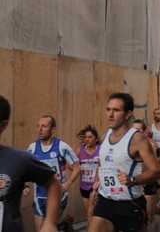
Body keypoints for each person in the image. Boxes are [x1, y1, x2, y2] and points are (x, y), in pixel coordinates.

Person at [88, 93, 160, 232]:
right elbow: (102, 163)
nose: (110, 114)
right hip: (105, 201)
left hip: (129, 204)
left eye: (116, 110)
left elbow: (156, 171)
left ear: (128, 114)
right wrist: (97, 185)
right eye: (108, 109)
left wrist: (133, 180)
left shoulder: (137, 140)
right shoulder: (104, 136)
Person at [0, 95, 61, 232]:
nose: (40, 129)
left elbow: (53, 183)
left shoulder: (20, 158)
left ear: (3, 125)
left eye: (43, 126)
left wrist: (50, 222)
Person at [26, 115, 81, 232]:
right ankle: (64, 227)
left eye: (44, 126)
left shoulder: (62, 147)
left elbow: (78, 167)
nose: (40, 129)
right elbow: (27, 169)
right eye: (38, 126)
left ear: (53, 129)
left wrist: (69, 183)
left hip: (57, 195)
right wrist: (26, 185)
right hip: (39, 195)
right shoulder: (32, 148)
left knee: (48, 227)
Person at [132, 119, 160, 231]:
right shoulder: (128, 144)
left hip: (148, 181)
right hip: (134, 182)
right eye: (133, 129)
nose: (135, 132)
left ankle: (158, 211)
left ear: (144, 131)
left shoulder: (150, 143)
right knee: (138, 216)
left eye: (137, 130)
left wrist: (151, 162)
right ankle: (159, 209)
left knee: (149, 216)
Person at [74, 125, 100, 224]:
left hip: (97, 186)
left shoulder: (100, 149)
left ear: (96, 139)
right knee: (89, 213)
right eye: (85, 137)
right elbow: (70, 165)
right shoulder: (79, 150)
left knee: (95, 212)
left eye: (90, 137)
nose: (87, 139)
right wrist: (78, 168)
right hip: (84, 186)